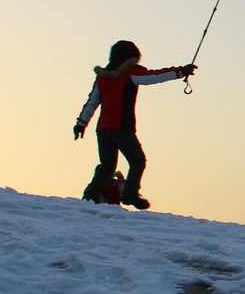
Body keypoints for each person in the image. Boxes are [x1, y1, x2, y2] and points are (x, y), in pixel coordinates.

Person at [73, 40, 195, 210]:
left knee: (107, 166)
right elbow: (155, 76)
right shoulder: (129, 73)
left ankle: (90, 196)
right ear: (131, 57)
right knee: (137, 160)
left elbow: (92, 102)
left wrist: (81, 124)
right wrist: (181, 71)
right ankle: (130, 194)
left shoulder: (102, 77)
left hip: (103, 129)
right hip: (121, 126)